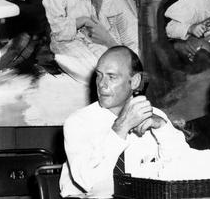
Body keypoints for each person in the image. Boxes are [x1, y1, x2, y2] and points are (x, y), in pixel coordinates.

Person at [59, 46, 190, 197]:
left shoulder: (154, 116)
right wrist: (121, 127)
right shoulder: (79, 123)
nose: (101, 84)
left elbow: (184, 169)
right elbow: (92, 185)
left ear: (134, 82)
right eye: (99, 75)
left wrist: (162, 128)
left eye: (111, 77)